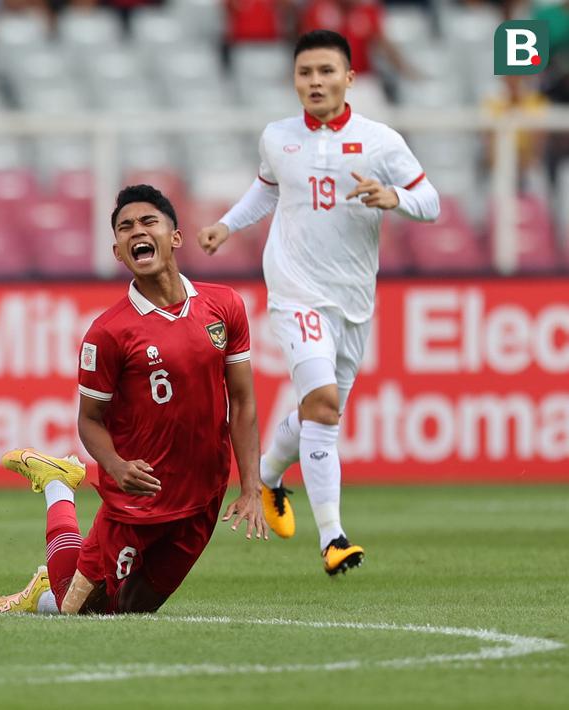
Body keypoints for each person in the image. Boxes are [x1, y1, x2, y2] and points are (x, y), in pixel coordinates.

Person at [196, 30, 440, 575]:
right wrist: (226, 227)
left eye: (327, 72)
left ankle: (267, 475)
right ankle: (333, 538)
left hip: (353, 299)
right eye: (306, 73)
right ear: (295, 81)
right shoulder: (277, 137)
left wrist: (393, 197)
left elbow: (432, 201)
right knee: (324, 405)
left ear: (349, 78)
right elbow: (267, 188)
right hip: (295, 290)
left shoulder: (381, 140)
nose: (315, 82)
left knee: (317, 410)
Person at [0, 184, 267, 615]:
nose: (137, 230)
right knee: (81, 614)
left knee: (133, 611)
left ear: (174, 236)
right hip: (136, 498)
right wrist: (116, 466)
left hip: (202, 496)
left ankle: (50, 584)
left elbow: (244, 403)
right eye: (125, 227)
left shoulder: (223, 305)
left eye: (148, 221)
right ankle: (58, 487)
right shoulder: (109, 332)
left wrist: (251, 487)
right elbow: (90, 420)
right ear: (119, 251)